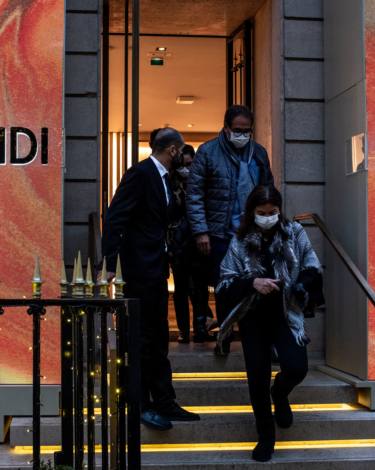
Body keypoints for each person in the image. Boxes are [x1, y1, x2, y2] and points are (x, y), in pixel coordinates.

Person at [98, 127, 200, 431]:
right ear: (172, 150)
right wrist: (110, 263)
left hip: (156, 268)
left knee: (158, 339)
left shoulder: (166, 179)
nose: (183, 157)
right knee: (142, 339)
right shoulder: (140, 174)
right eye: (182, 152)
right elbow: (115, 216)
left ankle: (165, 401)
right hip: (140, 269)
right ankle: (141, 405)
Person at [215, 185, 324, 462]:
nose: (267, 217)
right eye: (262, 213)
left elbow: (313, 266)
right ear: (252, 211)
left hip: (287, 313)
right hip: (253, 316)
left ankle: (280, 391)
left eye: (272, 212)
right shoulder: (239, 240)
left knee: (297, 368)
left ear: (279, 210)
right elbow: (225, 280)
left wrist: (302, 284)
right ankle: (265, 436)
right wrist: (252, 282)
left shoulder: (294, 233)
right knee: (257, 376)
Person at [186, 105, 274, 355]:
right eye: (237, 130)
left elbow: (268, 189)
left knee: (261, 285)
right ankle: (224, 336)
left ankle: (263, 342)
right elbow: (194, 195)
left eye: (247, 131)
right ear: (226, 128)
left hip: (254, 232)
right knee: (225, 287)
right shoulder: (207, 152)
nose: (242, 135)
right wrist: (201, 231)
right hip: (220, 234)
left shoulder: (258, 153)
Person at [166, 144, 213, 343]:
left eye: (190, 164)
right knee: (181, 289)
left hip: (197, 241)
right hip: (177, 242)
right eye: (184, 165)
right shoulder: (169, 182)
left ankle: (200, 329)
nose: (187, 168)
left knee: (201, 287)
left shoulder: (201, 181)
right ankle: (184, 330)